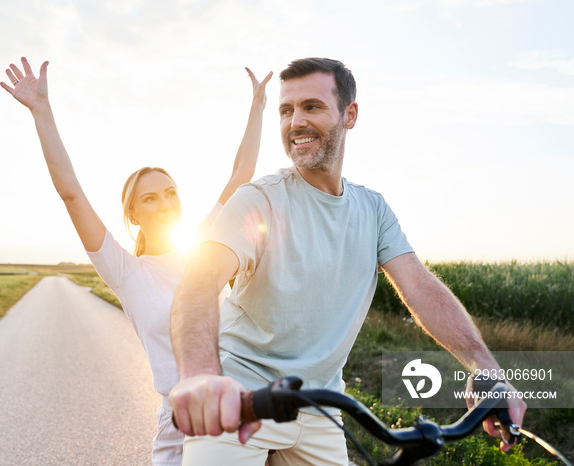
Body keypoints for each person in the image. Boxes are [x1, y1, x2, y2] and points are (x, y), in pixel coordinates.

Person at [168, 57, 528, 465]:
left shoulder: (372, 210)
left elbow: (419, 287)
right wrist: (200, 375)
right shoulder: (259, 199)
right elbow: (199, 280)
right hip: (242, 396)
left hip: (321, 406)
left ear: (349, 114)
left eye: (312, 106)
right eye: (286, 110)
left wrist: (485, 366)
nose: (295, 122)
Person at [0, 57, 272, 465]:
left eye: (170, 192)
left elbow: (241, 175)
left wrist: (258, 107)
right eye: (150, 197)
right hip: (181, 423)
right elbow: (71, 193)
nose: (164, 202)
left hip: (237, 410)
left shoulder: (206, 243)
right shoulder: (126, 272)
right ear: (133, 214)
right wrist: (42, 111)